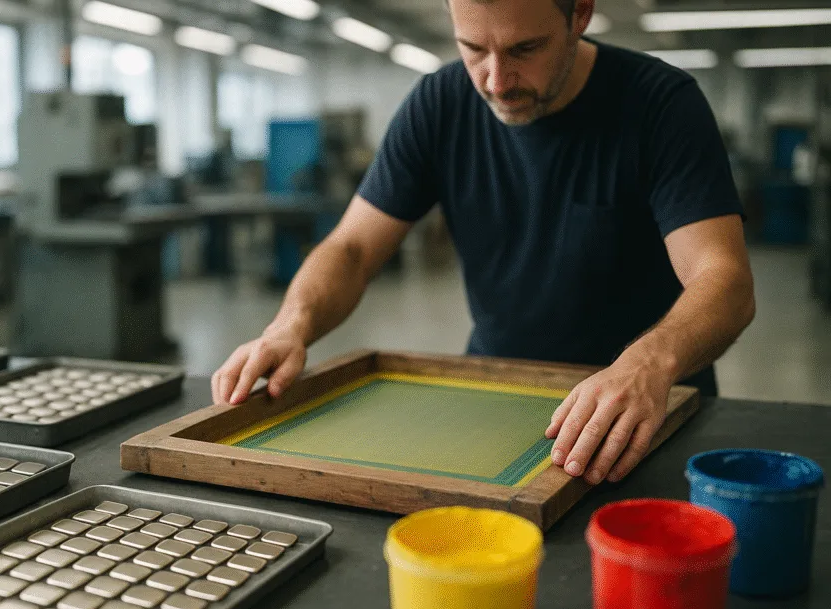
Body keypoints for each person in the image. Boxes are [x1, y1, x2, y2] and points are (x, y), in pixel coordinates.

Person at [211, 0, 756, 487]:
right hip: (497, 397)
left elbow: (723, 280)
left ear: (580, 14)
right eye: (473, 48)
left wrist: (647, 365)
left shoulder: (661, 105)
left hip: (642, 412)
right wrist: (291, 324)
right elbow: (352, 248)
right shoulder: (439, 103)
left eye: (526, 48)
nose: (496, 80)